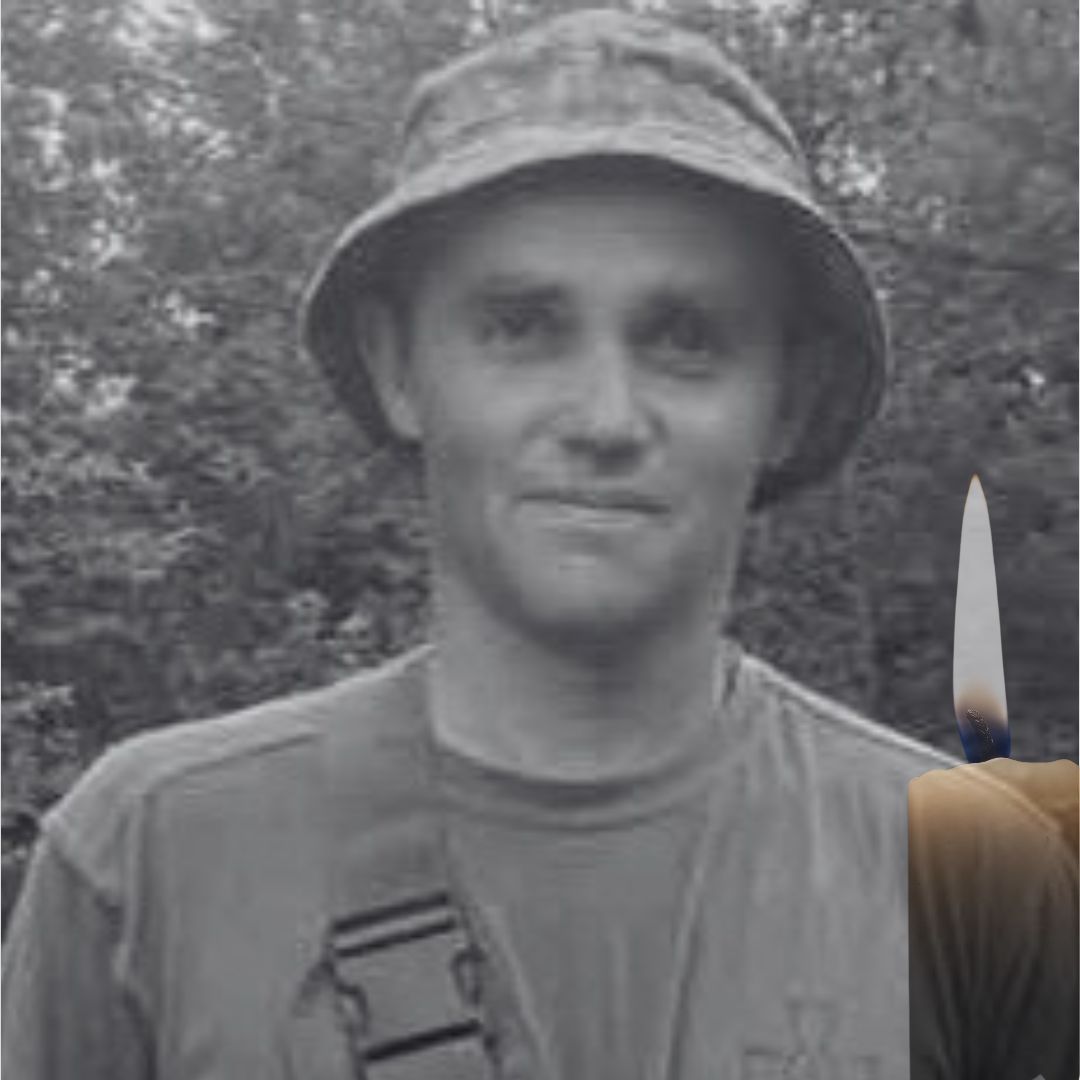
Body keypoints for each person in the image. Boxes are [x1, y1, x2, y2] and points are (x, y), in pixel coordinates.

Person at [3, 10, 1076, 1080]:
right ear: (398, 366)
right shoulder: (147, 864)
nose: (606, 417)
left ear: (785, 399)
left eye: (685, 338)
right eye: (522, 327)